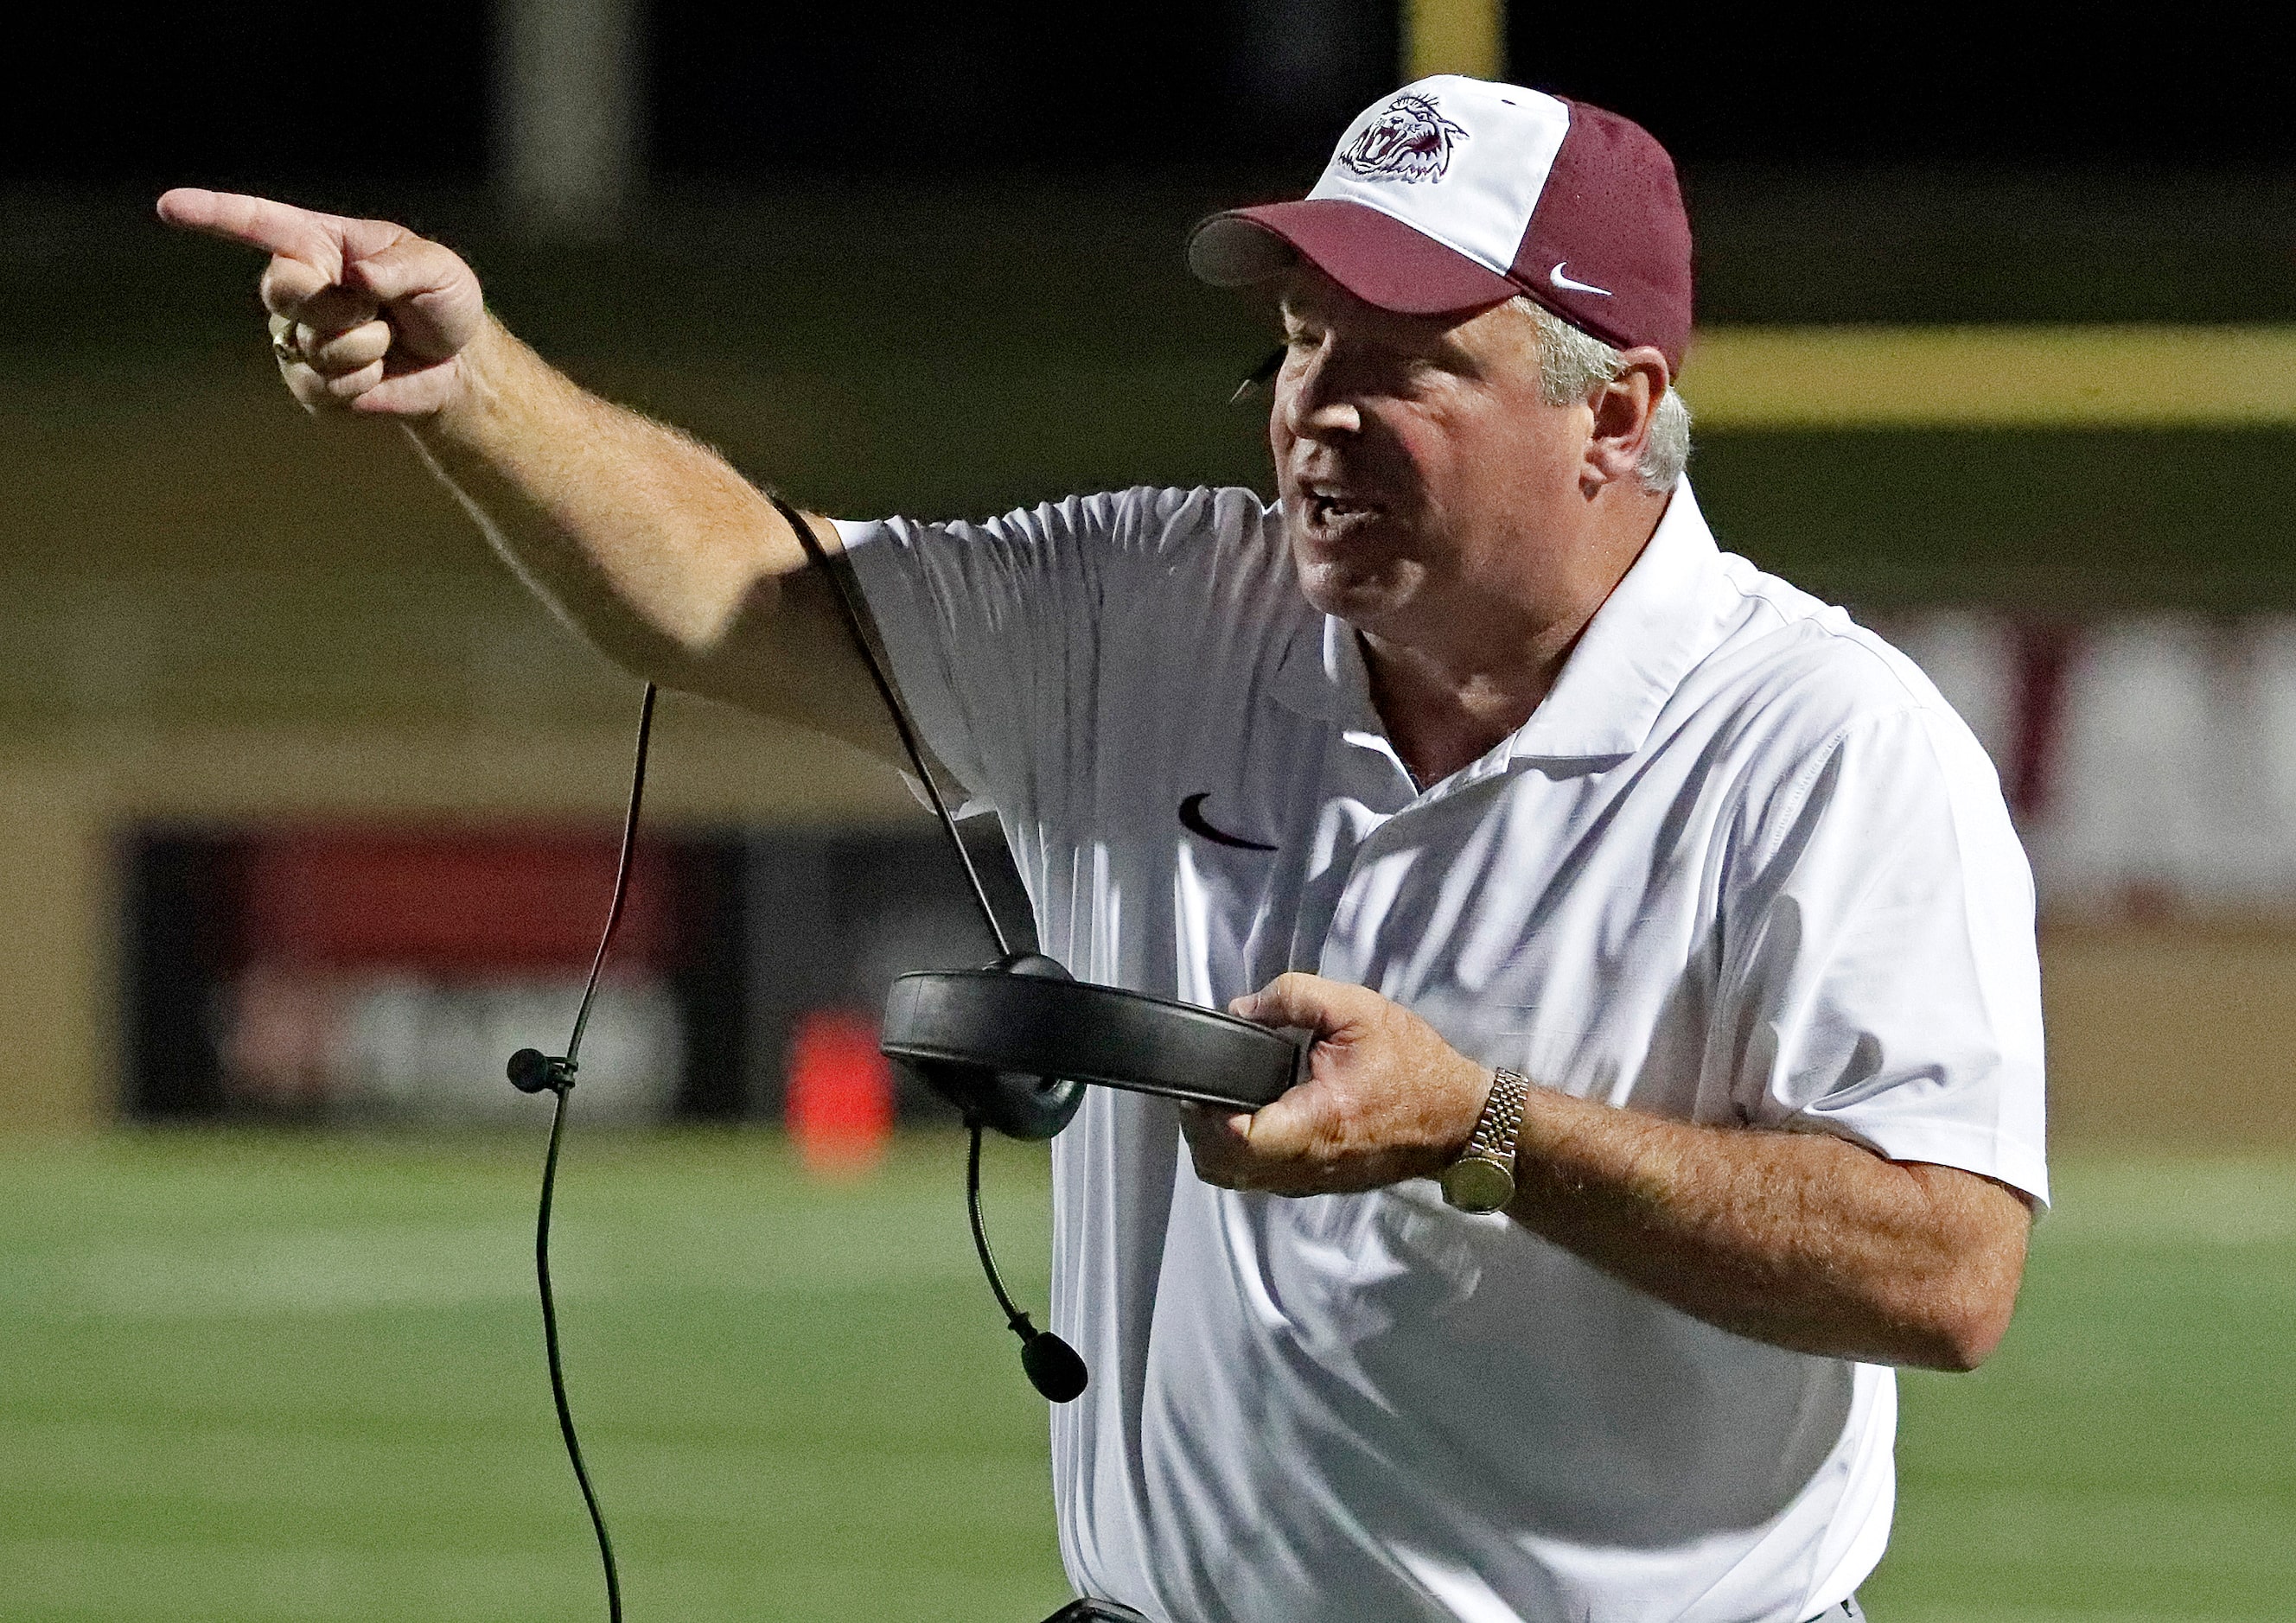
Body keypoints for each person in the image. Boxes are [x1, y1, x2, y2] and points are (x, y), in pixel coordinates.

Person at [162, 74, 2044, 1623]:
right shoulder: (1162, 601)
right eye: (1302, 341)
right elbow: (731, 596)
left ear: (1613, 415)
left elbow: (1947, 1268)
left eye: (1406, 359)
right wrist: (470, 382)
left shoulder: (1821, 745)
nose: (1316, 408)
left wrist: (1484, 1132)